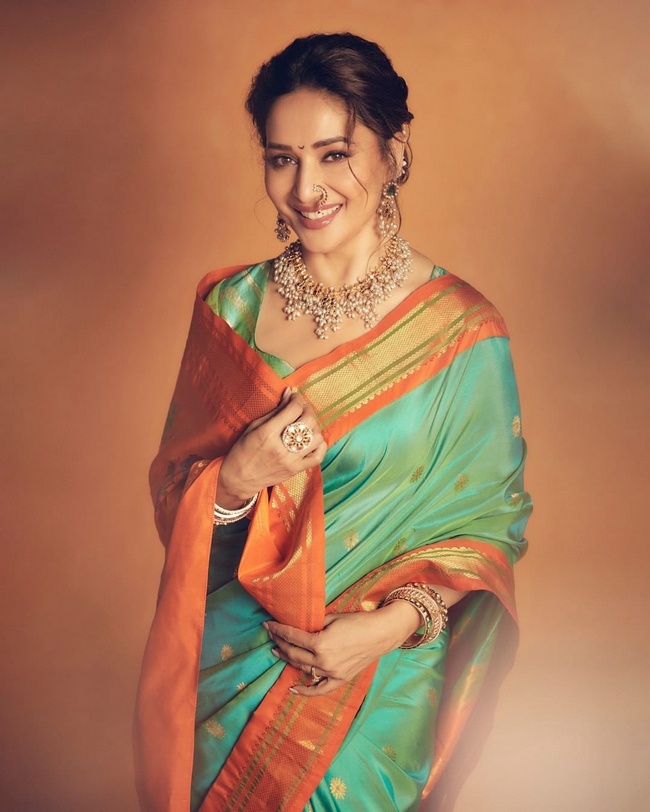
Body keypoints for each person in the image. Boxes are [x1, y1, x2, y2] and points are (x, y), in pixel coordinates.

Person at [134, 32, 532, 812]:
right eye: (281, 159)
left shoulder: (463, 333)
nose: (306, 187)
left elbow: (490, 527)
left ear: (394, 151)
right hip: (231, 681)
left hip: (374, 692)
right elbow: (177, 506)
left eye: (334, 155)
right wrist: (234, 481)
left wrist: (386, 629)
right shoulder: (232, 311)